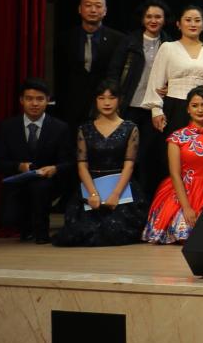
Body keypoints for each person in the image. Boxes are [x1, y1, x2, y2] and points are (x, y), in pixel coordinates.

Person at [55, 82, 144, 247]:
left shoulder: (130, 128)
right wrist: (93, 194)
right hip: (92, 184)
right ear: (95, 100)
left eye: (111, 98)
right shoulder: (85, 129)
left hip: (121, 185)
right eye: (101, 98)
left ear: (120, 100)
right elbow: (82, 165)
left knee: (116, 229)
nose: (106, 103)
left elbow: (129, 165)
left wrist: (115, 194)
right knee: (79, 232)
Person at [142, 89, 203, 245]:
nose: (200, 110)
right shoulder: (177, 137)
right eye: (195, 105)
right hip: (184, 190)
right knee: (183, 234)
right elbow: (175, 174)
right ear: (188, 109)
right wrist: (186, 208)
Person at [0, 78, 74, 242]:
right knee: (9, 218)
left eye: (40, 99)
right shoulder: (7, 127)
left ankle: (41, 232)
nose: (35, 104)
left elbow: (69, 162)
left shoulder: (60, 128)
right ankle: (25, 227)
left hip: (49, 181)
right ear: (21, 100)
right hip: (19, 180)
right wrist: (19, 166)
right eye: (29, 99)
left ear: (48, 100)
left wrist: (54, 168)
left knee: (40, 187)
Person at [109, 0, 173, 195]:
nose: (153, 20)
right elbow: (114, 72)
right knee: (126, 155)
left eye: (158, 17)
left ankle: (145, 199)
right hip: (130, 106)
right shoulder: (129, 42)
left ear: (164, 20)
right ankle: (122, 198)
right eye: (149, 16)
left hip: (155, 109)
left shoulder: (170, 44)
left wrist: (170, 86)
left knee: (149, 157)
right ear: (143, 19)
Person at [141, 5, 203, 135]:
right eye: (188, 20)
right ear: (179, 24)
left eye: (197, 20)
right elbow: (156, 81)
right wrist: (156, 111)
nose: (193, 24)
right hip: (174, 107)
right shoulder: (168, 48)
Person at [57, 0, 124, 126]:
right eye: (88, 5)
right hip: (72, 103)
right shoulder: (66, 38)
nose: (93, 10)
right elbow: (60, 73)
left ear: (105, 11)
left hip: (104, 103)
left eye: (98, 6)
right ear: (80, 9)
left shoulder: (118, 39)